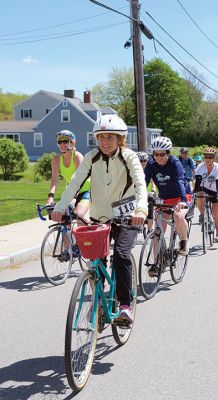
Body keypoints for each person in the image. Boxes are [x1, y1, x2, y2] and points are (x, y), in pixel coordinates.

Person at [51, 114, 148, 323]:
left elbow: (140, 184)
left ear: (120, 139)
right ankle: (100, 300)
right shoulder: (91, 157)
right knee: (97, 260)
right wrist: (60, 207)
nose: (104, 142)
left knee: (121, 255)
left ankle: (124, 305)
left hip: (128, 217)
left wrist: (141, 210)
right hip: (99, 216)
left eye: (110, 138)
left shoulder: (129, 156)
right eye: (101, 137)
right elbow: (75, 183)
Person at [144, 137, 192, 256]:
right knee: (158, 231)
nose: (159, 157)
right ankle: (155, 263)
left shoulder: (175, 163)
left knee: (178, 216)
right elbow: (144, 181)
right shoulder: (151, 164)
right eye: (156, 154)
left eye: (162, 154)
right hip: (165, 197)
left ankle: (184, 242)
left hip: (182, 195)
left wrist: (184, 201)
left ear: (168, 153)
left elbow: (180, 181)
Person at [47, 130, 90, 221]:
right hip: (70, 191)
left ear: (72, 143)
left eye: (65, 141)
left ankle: (86, 231)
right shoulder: (56, 159)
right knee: (62, 219)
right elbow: (54, 180)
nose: (62, 144)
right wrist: (50, 197)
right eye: (59, 141)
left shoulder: (77, 157)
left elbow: (80, 179)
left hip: (85, 190)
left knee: (79, 215)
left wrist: (74, 198)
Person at [194, 147, 218, 243]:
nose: (208, 159)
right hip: (204, 188)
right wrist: (194, 192)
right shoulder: (200, 167)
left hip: (215, 189)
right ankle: (202, 214)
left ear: (213, 158)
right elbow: (198, 183)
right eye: (206, 156)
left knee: (216, 213)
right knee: (199, 194)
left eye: (210, 157)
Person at [136, 151, 154, 232]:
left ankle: (150, 230)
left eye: (144, 161)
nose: (143, 163)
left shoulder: (149, 169)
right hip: (135, 193)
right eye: (140, 161)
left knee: (150, 211)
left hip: (145, 192)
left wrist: (153, 190)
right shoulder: (134, 170)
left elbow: (152, 181)